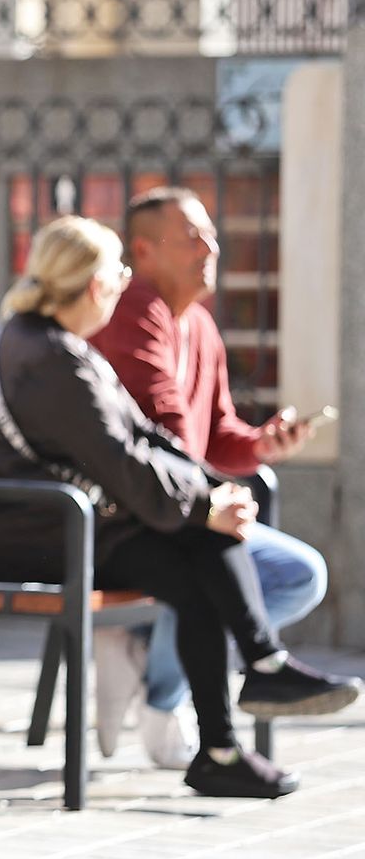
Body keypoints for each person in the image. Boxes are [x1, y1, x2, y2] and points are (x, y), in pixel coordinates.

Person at [0, 215, 360, 799]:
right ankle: (258, 676)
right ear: (95, 286)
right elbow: (118, 458)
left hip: (54, 523)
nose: (124, 280)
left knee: (197, 570)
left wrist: (209, 488)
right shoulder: (47, 357)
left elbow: (145, 437)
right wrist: (202, 506)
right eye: (118, 270)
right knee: (202, 541)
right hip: (25, 535)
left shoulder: (50, 345)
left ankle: (222, 745)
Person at [87, 186, 332, 768]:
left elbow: (220, 434)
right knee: (229, 569)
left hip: (182, 509)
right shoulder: (133, 309)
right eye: (192, 236)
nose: (211, 246)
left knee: (298, 575)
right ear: (143, 251)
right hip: (137, 515)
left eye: (211, 234)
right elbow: (165, 432)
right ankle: (167, 697)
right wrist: (214, 500)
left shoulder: (198, 323)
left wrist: (266, 443)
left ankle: (150, 663)